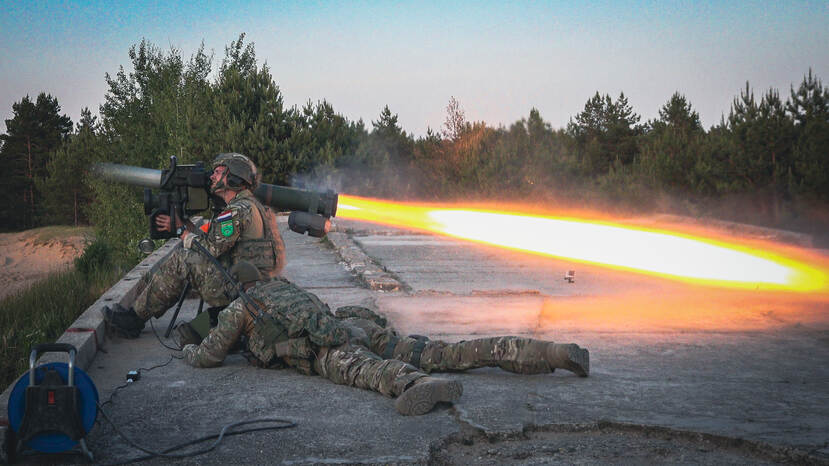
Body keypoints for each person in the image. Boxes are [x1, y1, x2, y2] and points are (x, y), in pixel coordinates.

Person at [182, 262, 463, 416]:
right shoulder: (285, 288)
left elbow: (210, 355)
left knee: (363, 369)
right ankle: (498, 352)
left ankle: (418, 383)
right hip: (345, 326)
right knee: (422, 350)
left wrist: (188, 349)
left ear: (239, 286)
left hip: (321, 348)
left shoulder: (240, 307)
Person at [104, 153, 286, 338]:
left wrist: (181, 230)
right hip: (249, 285)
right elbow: (219, 244)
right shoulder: (249, 206)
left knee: (181, 260)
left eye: (217, 172)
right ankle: (215, 321)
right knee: (189, 335)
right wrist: (189, 228)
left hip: (238, 288)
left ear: (232, 178)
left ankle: (133, 320)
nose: (212, 177)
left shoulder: (236, 211)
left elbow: (211, 250)